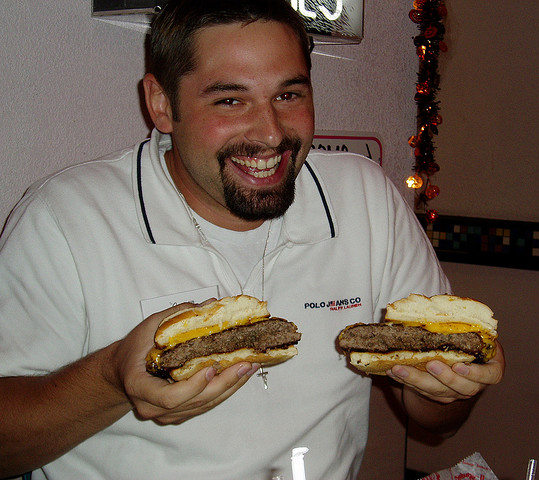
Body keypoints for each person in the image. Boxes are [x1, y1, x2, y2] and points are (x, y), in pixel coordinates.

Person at [0, 0, 505, 478]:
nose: (269, 133)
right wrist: (112, 378)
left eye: (289, 95)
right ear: (161, 104)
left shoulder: (366, 197)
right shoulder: (64, 218)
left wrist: (449, 390)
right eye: (229, 99)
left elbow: (438, 422)